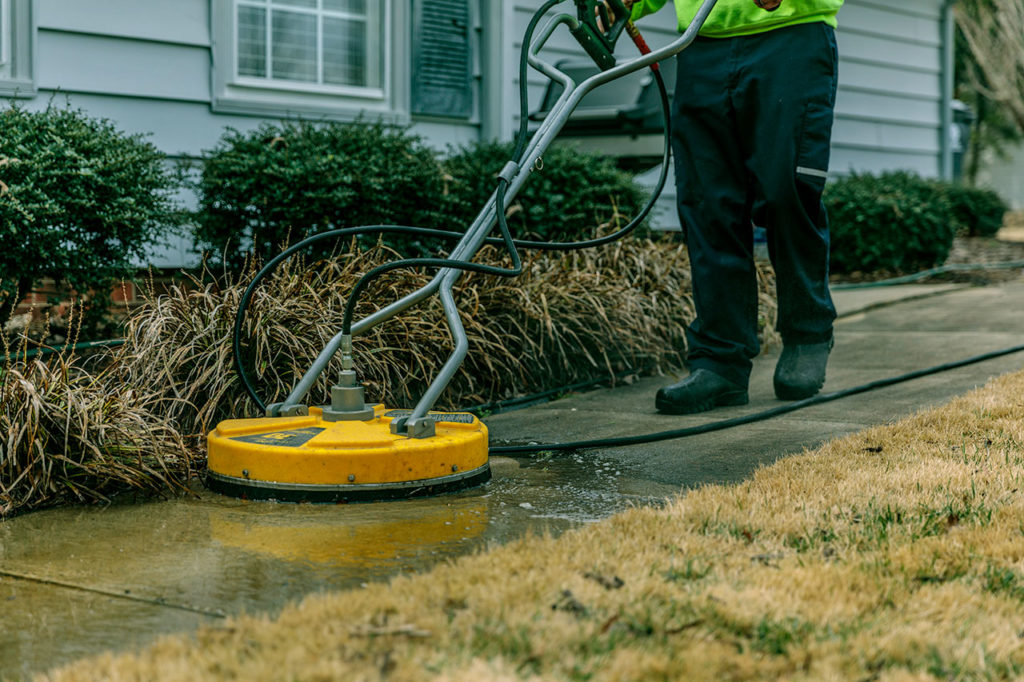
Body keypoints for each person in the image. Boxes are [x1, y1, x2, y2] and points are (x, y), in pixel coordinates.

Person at [626, 0, 845, 414]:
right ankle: (719, 363)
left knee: (786, 192)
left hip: (790, 32)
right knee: (707, 204)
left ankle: (808, 332)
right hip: (701, 43)